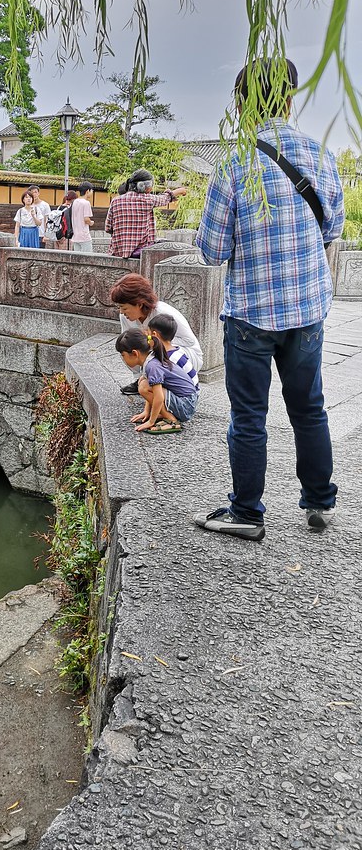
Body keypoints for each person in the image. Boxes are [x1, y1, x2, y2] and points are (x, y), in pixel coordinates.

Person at [193, 57, 344, 541]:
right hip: (307, 309)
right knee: (309, 408)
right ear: (289, 98)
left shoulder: (234, 163)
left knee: (249, 417)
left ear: (241, 105)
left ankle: (247, 513)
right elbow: (334, 227)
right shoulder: (320, 155)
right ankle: (320, 503)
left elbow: (213, 250)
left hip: (252, 315)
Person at [110, 274, 203, 394]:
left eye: (124, 308)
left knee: (162, 349)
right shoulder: (125, 317)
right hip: (153, 351)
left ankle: (174, 384)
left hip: (184, 354)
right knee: (126, 348)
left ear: (139, 304)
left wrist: (155, 339)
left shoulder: (162, 312)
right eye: (120, 307)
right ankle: (140, 379)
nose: (122, 312)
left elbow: (189, 341)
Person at [114, 328, 199, 433]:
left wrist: (151, 421)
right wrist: (146, 411)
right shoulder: (150, 359)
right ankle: (165, 414)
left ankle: (172, 421)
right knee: (142, 382)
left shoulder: (152, 366)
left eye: (123, 355)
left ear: (135, 353)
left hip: (186, 405)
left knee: (143, 387)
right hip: (185, 400)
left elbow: (158, 397)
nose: (123, 359)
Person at [106, 169, 188, 258]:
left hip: (118, 252)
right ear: (142, 185)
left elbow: (108, 228)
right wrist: (180, 191)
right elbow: (165, 198)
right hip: (139, 253)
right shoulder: (147, 199)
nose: (151, 188)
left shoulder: (115, 201)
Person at [147, 313, 200, 389]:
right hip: (190, 390)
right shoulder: (175, 351)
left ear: (154, 335)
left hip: (188, 393)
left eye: (148, 336)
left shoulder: (172, 358)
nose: (147, 340)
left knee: (147, 387)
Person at [71, 181, 94, 253]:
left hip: (75, 235)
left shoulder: (75, 202)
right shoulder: (86, 203)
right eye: (91, 190)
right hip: (84, 236)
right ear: (87, 191)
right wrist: (91, 223)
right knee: (87, 258)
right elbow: (86, 219)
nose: (92, 192)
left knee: (77, 259)